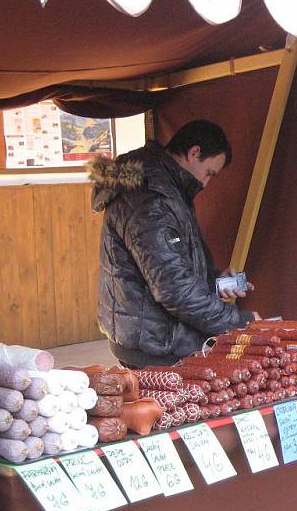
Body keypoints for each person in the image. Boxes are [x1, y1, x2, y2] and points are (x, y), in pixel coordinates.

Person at [89, 120, 259, 368]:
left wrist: (213, 279)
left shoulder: (167, 187)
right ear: (194, 152)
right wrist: (237, 321)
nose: (206, 183)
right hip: (155, 343)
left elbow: (170, 262)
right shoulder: (151, 198)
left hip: (153, 335)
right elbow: (173, 288)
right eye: (209, 173)